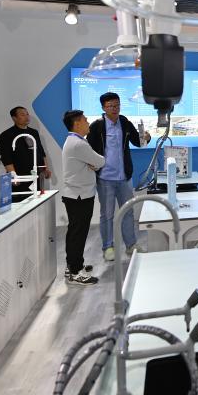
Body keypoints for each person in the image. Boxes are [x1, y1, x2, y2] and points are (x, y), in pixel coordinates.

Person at [87, 92, 150, 261]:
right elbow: (88, 149)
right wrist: (91, 164)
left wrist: (146, 137)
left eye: (117, 105)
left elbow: (138, 142)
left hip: (124, 177)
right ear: (103, 108)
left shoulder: (124, 122)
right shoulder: (97, 126)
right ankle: (108, 247)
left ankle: (131, 245)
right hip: (105, 178)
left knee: (128, 212)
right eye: (110, 106)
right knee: (107, 214)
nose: (114, 109)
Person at [61, 110, 104, 286]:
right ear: (77, 123)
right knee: (78, 234)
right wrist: (95, 163)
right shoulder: (78, 144)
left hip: (76, 194)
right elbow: (100, 161)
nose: (88, 123)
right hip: (79, 196)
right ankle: (75, 272)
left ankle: (72, 265)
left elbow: (95, 162)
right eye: (85, 120)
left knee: (75, 233)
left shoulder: (76, 141)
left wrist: (93, 163)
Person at [0, 106, 51, 193]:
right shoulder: (6, 135)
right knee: (21, 199)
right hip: (19, 176)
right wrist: (13, 175)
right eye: (22, 115)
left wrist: (46, 168)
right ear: (14, 118)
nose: (27, 117)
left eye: (27, 114)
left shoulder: (34, 132)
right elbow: (6, 158)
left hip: (36, 175)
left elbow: (41, 152)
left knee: (37, 198)